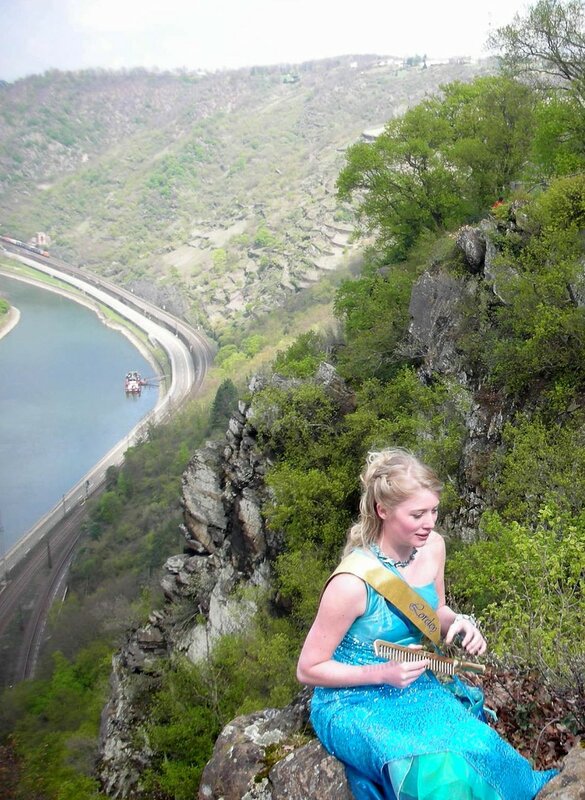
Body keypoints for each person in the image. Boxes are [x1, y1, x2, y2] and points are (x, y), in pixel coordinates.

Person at [297, 448, 558, 800]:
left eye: (433, 510)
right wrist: (380, 674)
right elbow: (308, 669)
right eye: (417, 513)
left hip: (412, 682)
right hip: (351, 699)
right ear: (383, 510)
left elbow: (435, 612)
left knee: (476, 743)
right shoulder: (351, 584)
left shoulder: (434, 547)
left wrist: (462, 623)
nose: (430, 522)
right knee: (434, 767)